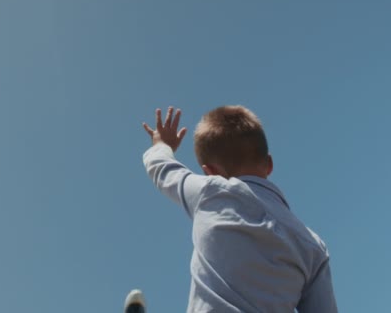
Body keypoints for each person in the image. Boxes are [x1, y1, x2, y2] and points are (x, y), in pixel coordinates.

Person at [142, 106, 338, 313]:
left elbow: (161, 168)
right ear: (269, 163)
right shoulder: (313, 246)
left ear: (210, 172)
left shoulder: (211, 192)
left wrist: (162, 144)